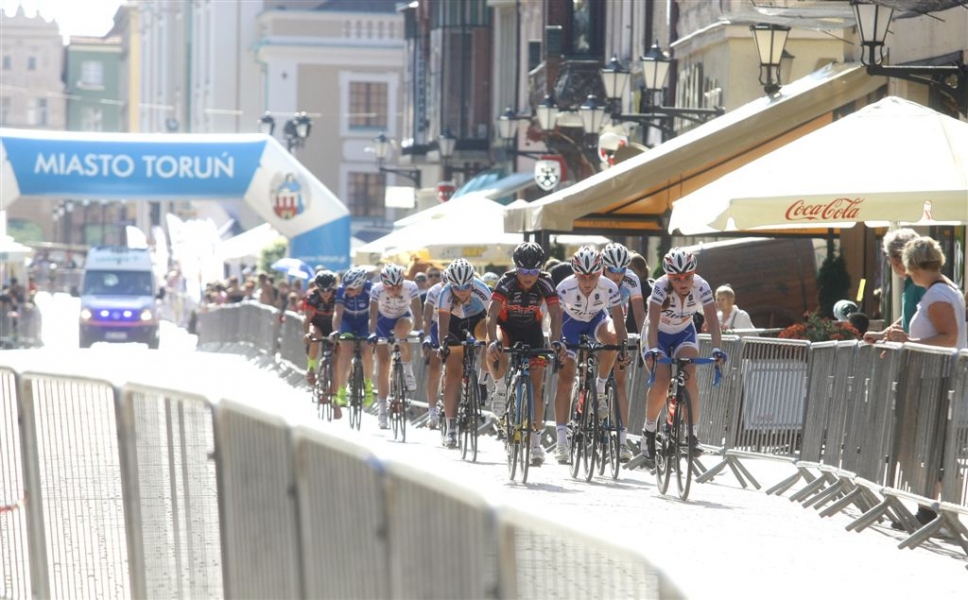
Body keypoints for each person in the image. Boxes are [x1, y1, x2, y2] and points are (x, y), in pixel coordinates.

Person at [641, 248, 726, 469]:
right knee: (661, 382)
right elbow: (651, 322)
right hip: (657, 334)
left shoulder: (701, 286)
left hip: (684, 333)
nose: (683, 282)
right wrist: (652, 351)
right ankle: (649, 430)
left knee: (689, 378)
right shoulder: (660, 287)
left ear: (693, 274)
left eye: (687, 277)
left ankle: (691, 434)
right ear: (669, 277)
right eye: (677, 278)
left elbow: (712, 321)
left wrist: (717, 349)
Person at [486, 241, 563, 466]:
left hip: (531, 330)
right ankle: (500, 389)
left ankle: (536, 444)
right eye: (523, 271)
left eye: (533, 271)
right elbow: (491, 314)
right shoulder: (507, 281)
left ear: (540, 269)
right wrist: (492, 341)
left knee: (537, 389)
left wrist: (556, 341)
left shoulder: (546, 281)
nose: (528, 276)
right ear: (515, 267)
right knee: (496, 346)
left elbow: (556, 314)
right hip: (506, 327)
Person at [553, 246, 629, 464]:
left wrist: (623, 348)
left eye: (593, 276)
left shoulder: (609, 286)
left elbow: (619, 322)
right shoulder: (564, 288)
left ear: (600, 272)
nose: (587, 282)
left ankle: (600, 387)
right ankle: (561, 441)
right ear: (575, 273)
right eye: (582, 276)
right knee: (566, 379)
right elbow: (555, 321)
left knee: (612, 339)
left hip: (597, 320)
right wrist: (556, 344)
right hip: (570, 324)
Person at [436, 259, 492, 448]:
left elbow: (493, 319)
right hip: (454, 325)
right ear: (450, 284)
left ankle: (483, 380)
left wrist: (492, 341)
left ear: (472, 282)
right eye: (457, 287)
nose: (461, 290)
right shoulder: (445, 294)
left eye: (466, 286)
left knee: (490, 339)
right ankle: (451, 428)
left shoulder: (482, 290)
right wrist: (443, 345)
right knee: (453, 374)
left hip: (478, 321)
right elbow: (443, 326)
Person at [600, 242, 645, 462]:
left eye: (622, 270)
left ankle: (623, 441)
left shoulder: (631, 280)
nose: (618, 275)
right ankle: (585, 398)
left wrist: (646, 340)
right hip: (596, 321)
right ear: (603, 267)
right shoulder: (594, 277)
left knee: (620, 382)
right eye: (613, 270)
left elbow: (639, 314)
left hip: (618, 325)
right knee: (588, 366)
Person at [884, 236, 966, 349]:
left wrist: (908, 341)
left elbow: (950, 338)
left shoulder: (937, 294)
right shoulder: (948, 288)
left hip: (939, 360)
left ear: (914, 268)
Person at [368, 263, 423, 429]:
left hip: (403, 317)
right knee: (384, 363)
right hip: (382, 322)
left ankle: (407, 371)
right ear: (383, 285)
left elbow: (417, 311)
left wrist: (421, 330)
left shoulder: (411, 286)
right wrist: (372, 333)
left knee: (401, 332)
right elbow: (372, 315)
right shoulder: (376, 290)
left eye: (398, 286)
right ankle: (382, 411)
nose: (395, 290)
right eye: (390, 288)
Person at [864, 228, 925, 343]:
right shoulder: (911, 280)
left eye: (888, 258)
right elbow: (911, 313)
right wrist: (884, 333)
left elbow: (944, 331)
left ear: (896, 259)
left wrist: (909, 341)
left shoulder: (921, 282)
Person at [331, 267, 375, 409]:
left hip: (364, 321)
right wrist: (336, 330)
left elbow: (375, 313)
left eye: (350, 289)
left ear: (359, 286)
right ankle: (342, 390)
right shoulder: (341, 290)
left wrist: (375, 332)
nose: (346, 291)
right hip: (347, 322)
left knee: (367, 348)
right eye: (345, 287)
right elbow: (338, 312)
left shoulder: (371, 289)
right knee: (346, 348)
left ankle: (368, 385)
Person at [303, 270, 341, 419]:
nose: (325, 293)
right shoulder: (312, 297)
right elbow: (307, 319)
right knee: (315, 336)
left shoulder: (339, 296)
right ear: (317, 288)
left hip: (334, 327)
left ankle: (336, 401)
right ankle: (311, 367)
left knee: (336, 365)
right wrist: (306, 334)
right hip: (317, 325)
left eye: (328, 290)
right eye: (322, 290)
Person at [421, 269, 448, 429]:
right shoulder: (434, 291)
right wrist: (426, 337)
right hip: (436, 324)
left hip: (454, 323)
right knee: (435, 368)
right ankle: (432, 411)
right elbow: (426, 317)